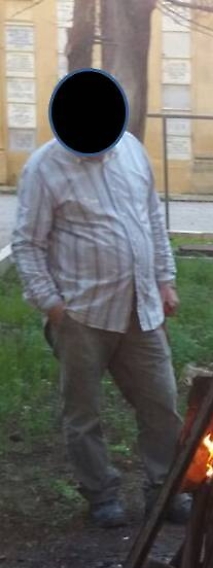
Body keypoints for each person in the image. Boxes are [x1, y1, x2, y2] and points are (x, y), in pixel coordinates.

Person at [12, 129, 191, 528]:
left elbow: (151, 219)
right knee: (83, 412)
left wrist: (165, 280)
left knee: (161, 404)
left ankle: (165, 490)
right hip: (82, 316)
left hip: (140, 309)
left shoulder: (131, 150)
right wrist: (52, 305)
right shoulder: (44, 168)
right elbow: (27, 244)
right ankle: (101, 495)